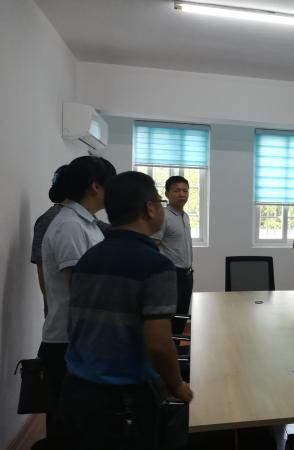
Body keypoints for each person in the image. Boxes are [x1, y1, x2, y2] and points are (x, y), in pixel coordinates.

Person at [59, 171, 193, 450]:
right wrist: (178, 386)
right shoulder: (156, 265)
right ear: (150, 208)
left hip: (76, 388)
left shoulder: (88, 258)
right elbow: (158, 345)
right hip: (124, 398)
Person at [39, 155, 116, 449]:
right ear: (96, 186)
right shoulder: (70, 226)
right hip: (69, 343)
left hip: (84, 338)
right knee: (71, 431)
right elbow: (82, 291)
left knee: (86, 426)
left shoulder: (88, 224)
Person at [152, 176, 193, 335]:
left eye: (185, 190)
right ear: (167, 194)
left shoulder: (185, 216)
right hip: (171, 275)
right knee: (169, 316)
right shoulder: (163, 216)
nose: (182, 194)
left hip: (187, 274)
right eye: (176, 190)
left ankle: (175, 346)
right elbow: (153, 246)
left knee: (182, 315)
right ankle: (167, 347)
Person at [31, 165, 68, 317]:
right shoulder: (48, 219)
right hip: (60, 311)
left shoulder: (87, 218)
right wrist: (51, 306)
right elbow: (42, 267)